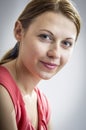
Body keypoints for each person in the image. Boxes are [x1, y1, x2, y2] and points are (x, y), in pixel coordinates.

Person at [0, 0, 81, 130]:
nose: (55, 53)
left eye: (66, 43)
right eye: (45, 36)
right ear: (19, 31)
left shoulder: (42, 102)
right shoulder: (2, 93)